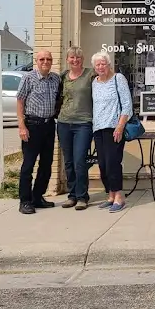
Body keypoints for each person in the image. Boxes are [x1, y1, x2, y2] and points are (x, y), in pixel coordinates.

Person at [16, 50, 62, 215]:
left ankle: (37, 196)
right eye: (42, 59)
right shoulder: (28, 78)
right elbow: (20, 101)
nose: (45, 61)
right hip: (32, 125)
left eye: (48, 59)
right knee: (28, 165)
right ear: (36, 61)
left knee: (46, 164)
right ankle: (25, 200)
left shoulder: (55, 79)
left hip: (48, 126)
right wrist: (22, 126)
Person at [90, 51, 133, 212]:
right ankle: (110, 195)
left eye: (103, 63)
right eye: (98, 64)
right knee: (102, 165)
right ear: (94, 67)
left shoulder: (118, 79)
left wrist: (120, 126)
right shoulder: (94, 82)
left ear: (109, 65)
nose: (101, 67)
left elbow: (127, 105)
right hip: (98, 128)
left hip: (114, 128)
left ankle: (119, 197)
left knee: (113, 163)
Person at [57, 46, 94, 210]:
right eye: (72, 57)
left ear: (83, 60)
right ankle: (72, 195)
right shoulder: (63, 77)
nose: (75, 60)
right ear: (67, 60)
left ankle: (82, 196)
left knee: (80, 160)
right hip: (64, 122)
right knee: (69, 161)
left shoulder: (90, 74)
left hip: (83, 123)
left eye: (78, 57)